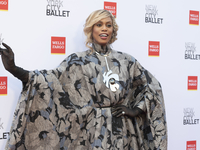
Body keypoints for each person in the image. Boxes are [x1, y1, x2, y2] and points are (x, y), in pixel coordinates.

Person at [0, 9, 167, 150]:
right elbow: (51, 81)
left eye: (108, 25)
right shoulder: (78, 61)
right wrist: (15, 69)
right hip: (95, 133)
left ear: (113, 30)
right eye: (99, 24)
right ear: (91, 29)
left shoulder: (127, 61)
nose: (104, 29)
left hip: (125, 132)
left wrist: (136, 110)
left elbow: (152, 86)